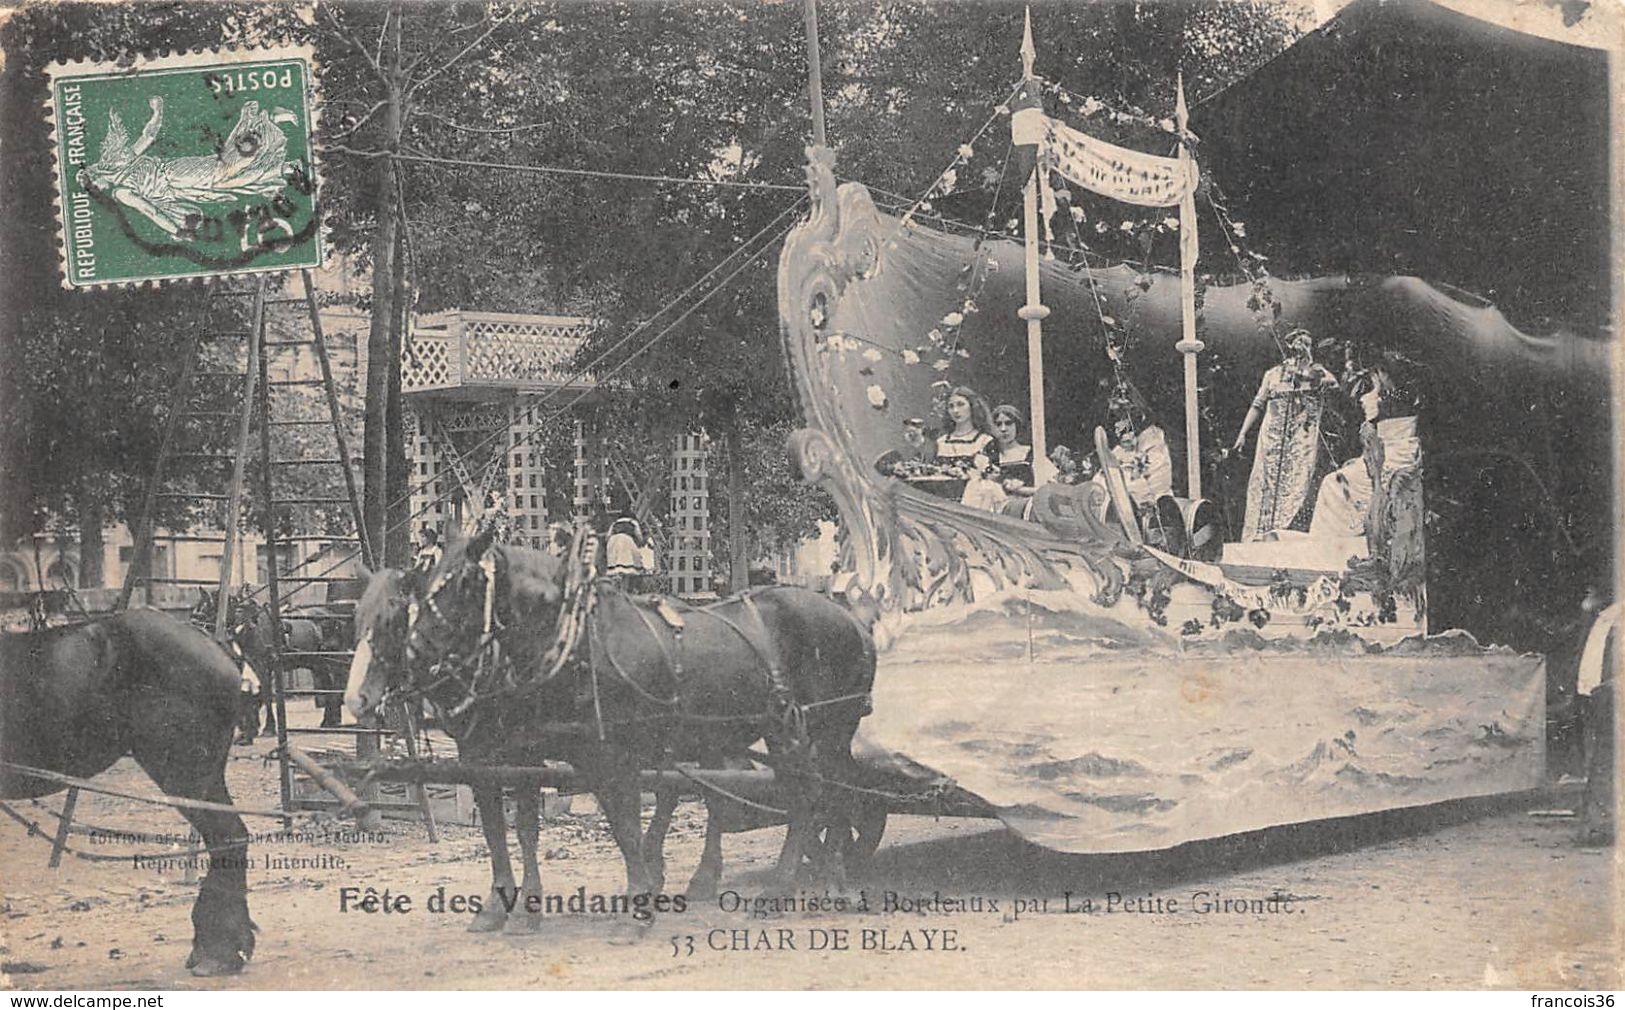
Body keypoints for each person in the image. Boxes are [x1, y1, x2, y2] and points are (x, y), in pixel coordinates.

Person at [1231, 329, 1340, 541]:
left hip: (1301, 439)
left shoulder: (1317, 373)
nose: (1301, 347)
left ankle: (1283, 535)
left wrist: (1308, 371)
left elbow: (1334, 385)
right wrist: (1242, 434)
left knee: (1297, 483)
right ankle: (1257, 535)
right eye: (1297, 343)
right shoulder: (1272, 374)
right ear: (1288, 346)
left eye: (1307, 343)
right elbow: (1257, 404)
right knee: (1263, 482)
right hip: (1271, 438)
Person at [1308, 368, 1421, 539]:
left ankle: (1337, 539)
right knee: (1334, 481)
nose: (1364, 398)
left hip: (1396, 457)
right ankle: (1335, 539)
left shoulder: (1399, 401)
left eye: (1373, 389)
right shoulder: (1386, 406)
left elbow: (1386, 443)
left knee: (1333, 483)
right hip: (1385, 454)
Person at [934, 386, 1006, 512]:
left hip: (976, 504)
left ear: (972, 406)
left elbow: (992, 478)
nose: (956, 410)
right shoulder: (941, 442)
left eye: (961, 404)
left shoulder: (985, 441)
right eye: (951, 406)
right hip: (943, 506)